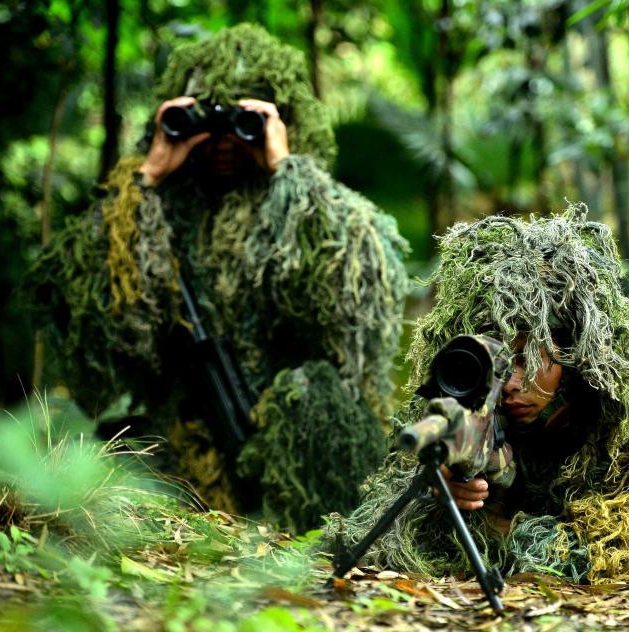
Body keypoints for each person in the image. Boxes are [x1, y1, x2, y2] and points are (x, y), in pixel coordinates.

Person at [29, 24, 408, 532]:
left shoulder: (316, 210)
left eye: (243, 122)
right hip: (188, 432)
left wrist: (285, 169)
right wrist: (148, 176)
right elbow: (79, 304)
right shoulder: (157, 210)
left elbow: (352, 300)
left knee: (314, 402)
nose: (225, 141)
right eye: (210, 121)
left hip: (294, 440)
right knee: (104, 469)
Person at [329, 209, 629, 583]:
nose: (509, 383)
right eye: (496, 362)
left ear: (574, 354)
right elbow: (383, 525)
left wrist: (501, 528)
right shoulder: (468, 405)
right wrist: (444, 496)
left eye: (523, 359)